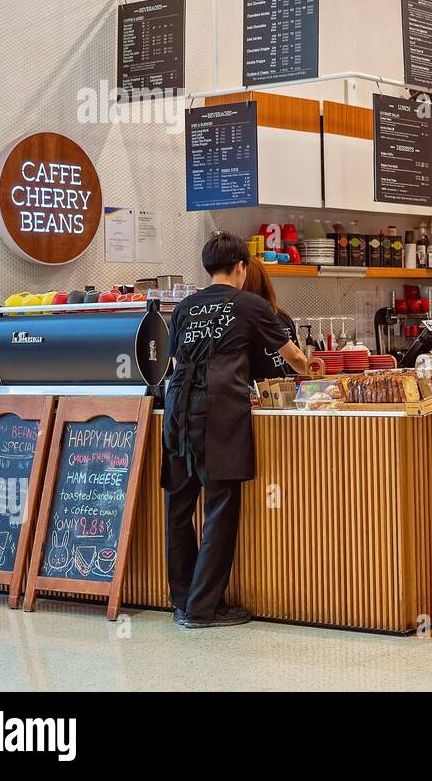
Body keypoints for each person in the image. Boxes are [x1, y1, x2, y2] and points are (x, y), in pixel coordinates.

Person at [163, 233, 310, 629]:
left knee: (178, 508)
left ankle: (182, 602)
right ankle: (203, 608)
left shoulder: (184, 308)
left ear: (207, 268)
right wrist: (315, 375)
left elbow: (176, 362)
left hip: (177, 411)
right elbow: (294, 356)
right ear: (242, 267)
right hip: (219, 412)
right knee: (220, 508)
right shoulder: (250, 304)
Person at [242, 258, 300, 379]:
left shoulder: (248, 319)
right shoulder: (283, 317)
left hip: (260, 394)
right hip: (288, 392)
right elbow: (296, 358)